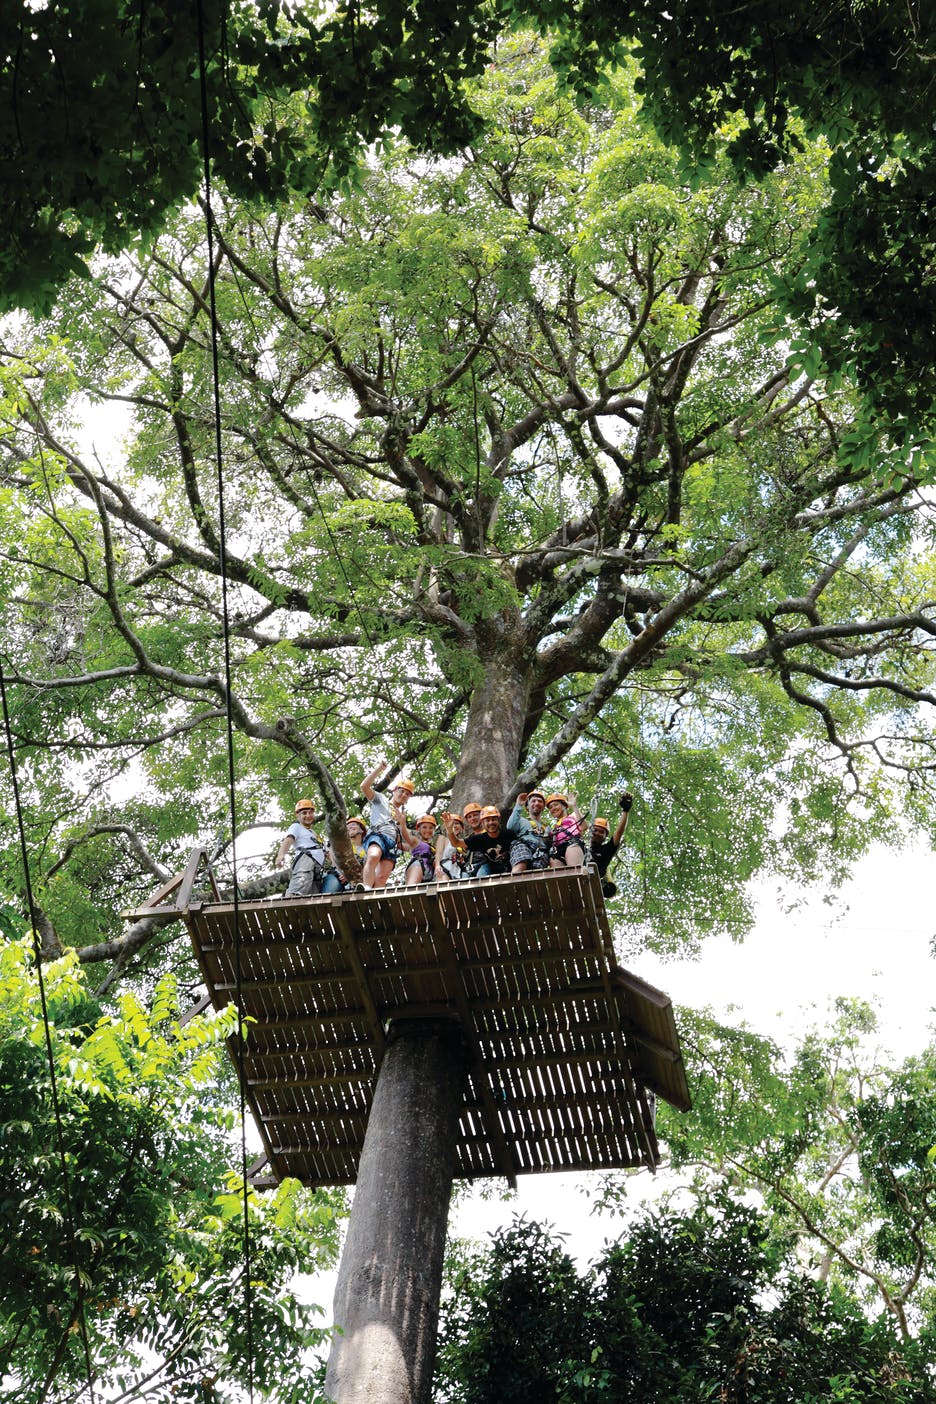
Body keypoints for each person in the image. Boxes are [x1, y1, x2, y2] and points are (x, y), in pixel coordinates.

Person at [360, 762, 415, 888]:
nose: (404, 795)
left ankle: (374, 903)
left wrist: (403, 824)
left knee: (382, 877)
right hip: (378, 835)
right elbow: (364, 786)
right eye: (402, 791)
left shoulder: (401, 816)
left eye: (407, 794)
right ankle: (366, 888)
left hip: (391, 843)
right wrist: (379, 769)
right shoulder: (381, 799)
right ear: (395, 790)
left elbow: (406, 841)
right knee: (373, 856)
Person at [276, 798, 329, 897]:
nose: (308, 816)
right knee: (299, 886)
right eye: (304, 813)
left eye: (310, 813)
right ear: (297, 815)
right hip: (306, 860)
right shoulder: (296, 827)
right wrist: (281, 855)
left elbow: (329, 853)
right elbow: (288, 840)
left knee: (311, 896)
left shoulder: (315, 835)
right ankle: (289, 900)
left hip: (318, 868)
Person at [589, 793, 633, 898]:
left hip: (593, 883)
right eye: (595, 830)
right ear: (590, 831)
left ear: (605, 837)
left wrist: (625, 811)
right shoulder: (579, 847)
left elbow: (619, 832)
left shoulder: (605, 851)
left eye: (601, 832)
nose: (597, 833)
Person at [507, 790, 553, 873]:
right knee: (520, 865)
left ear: (543, 807)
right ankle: (515, 885)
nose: (537, 803)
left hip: (541, 852)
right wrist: (518, 806)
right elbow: (510, 828)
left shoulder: (547, 828)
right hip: (523, 845)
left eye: (540, 801)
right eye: (533, 801)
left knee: (536, 877)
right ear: (527, 806)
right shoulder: (520, 820)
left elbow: (551, 845)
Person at [321, 816, 368, 894]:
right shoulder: (340, 843)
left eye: (353, 825)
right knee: (330, 892)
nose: (350, 827)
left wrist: (355, 877)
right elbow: (332, 856)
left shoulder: (366, 849)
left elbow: (367, 868)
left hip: (357, 881)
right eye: (347, 827)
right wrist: (344, 873)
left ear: (362, 830)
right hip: (337, 875)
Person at [465, 805, 511, 877]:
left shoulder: (491, 833)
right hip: (471, 868)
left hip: (489, 867)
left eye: (475, 815)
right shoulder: (469, 838)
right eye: (469, 817)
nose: (473, 818)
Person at [545, 792, 586, 869]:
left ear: (564, 806)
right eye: (550, 807)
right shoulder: (555, 827)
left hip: (571, 843)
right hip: (557, 851)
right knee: (559, 878)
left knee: (573, 871)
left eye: (556, 805)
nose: (553, 808)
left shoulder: (572, 816)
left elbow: (583, 826)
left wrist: (574, 806)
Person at [405, 814, 439, 886]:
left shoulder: (434, 845)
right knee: (411, 890)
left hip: (430, 871)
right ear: (418, 829)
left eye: (431, 828)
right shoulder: (416, 841)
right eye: (424, 827)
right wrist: (401, 823)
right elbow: (406, 835)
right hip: (418, 865)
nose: (428, 830)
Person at [436, 812, 470, 881]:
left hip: (459, 871)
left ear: (461, 827)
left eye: (457, 823)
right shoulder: (443, 838)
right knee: (445, 889)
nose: (454, 825)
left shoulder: (463, 842)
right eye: (452, 823)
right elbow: (438, 853)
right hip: (445, 868)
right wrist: (437, 865)